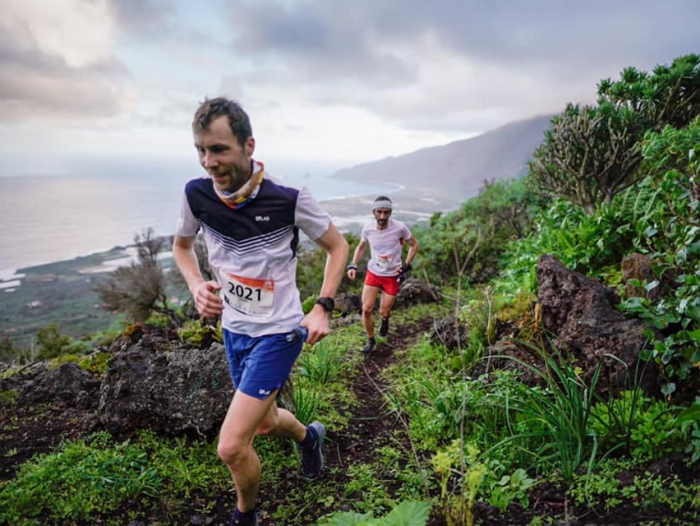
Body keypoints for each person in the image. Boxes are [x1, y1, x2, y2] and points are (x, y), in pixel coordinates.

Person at [172, 97, 349, 526]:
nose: (209, 162)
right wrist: (198, 287)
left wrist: (322, 306)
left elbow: (337, 247)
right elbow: (182, 247)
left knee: (232, 445)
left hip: (280, 333)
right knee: (266, 424)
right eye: (201, 150)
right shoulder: (196, 195)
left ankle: (244, 517)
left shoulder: (287, 197)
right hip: (234, 330)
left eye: (219, 149)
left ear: (248, 145)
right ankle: (310, 438)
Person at [346, 196, 419, 353]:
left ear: (390, 213)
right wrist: (353, 264)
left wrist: (406, 266)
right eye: (379, 212)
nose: (382, 217)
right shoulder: (368, 229)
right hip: (374, 273)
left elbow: (414, 245)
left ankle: (385, 319)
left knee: (384, 311)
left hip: (392, 276)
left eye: (386, 213)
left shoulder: (400, 228)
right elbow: (360, 247)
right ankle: (371, 340)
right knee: (366, 309)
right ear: (373, 212)